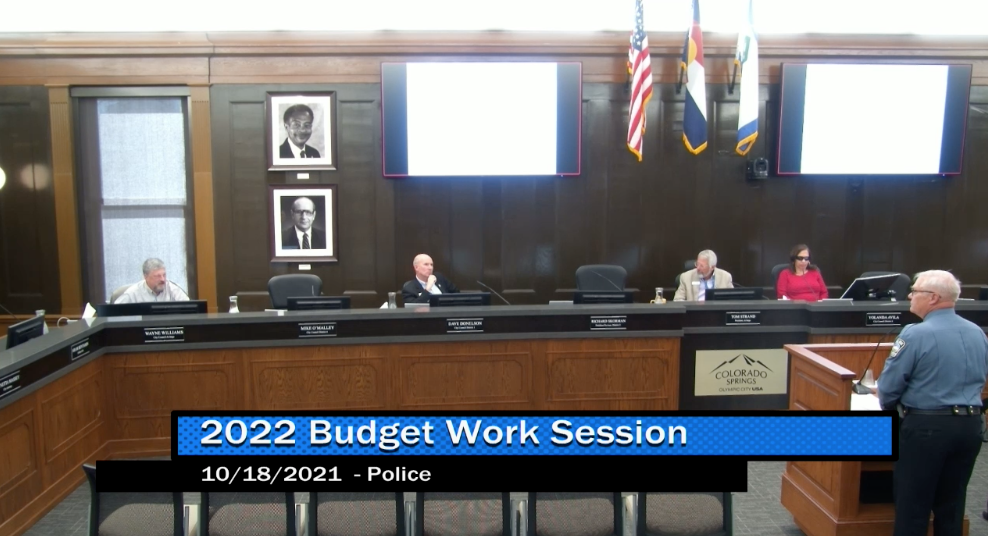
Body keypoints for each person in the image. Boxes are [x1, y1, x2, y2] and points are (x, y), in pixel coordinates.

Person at [874, 270, 988, 536]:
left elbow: (888, 389)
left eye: (915, 291)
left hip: (926, 429)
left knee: (913, 508)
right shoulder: (978, 333)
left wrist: (893, 409)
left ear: (933, 298)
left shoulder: (915, 334)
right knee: (952, 506)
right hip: (971, 426)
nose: (910, 296)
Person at [114, 258, 189, 303]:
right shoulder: (132, 293)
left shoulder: (173, 289)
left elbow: (189, 309)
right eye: (157, 276)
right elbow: (115, 313)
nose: (163, 279)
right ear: (145, 276)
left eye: (164, 275)